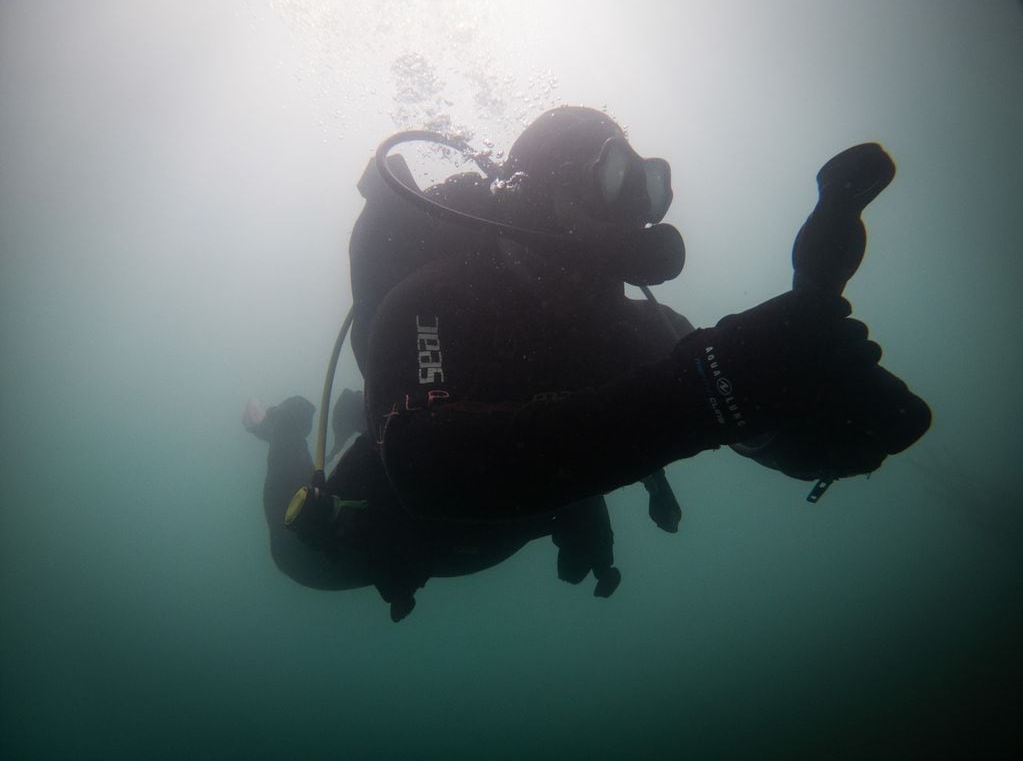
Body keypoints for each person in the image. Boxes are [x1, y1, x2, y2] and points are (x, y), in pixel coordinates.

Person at [249, 106, 931, 621]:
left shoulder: (635, 330)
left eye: (648, 187)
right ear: (537, 194)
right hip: (362, 536)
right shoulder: (432, 300)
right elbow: (430, 463)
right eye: (612, 180)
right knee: (292, 550)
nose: (634, 215)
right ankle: (283, 427)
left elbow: (745, 404)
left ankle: (351, 412)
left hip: (515, 521)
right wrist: (703, 394)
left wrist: (815, 427)